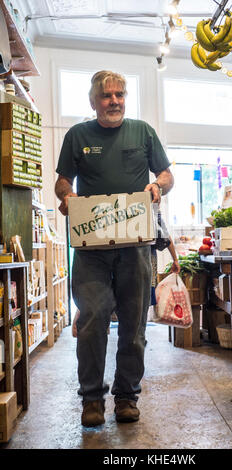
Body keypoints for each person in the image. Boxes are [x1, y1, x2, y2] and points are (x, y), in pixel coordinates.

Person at [55, 70, 174, 427]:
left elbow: (167, 175)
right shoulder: (77, 136)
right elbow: (63, 181)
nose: (115, 101)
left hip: (135, 247)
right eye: (107, 96)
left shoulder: (143, 132)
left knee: (134, 326)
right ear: (94, 102)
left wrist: (157, 187)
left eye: (120, 94)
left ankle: (126, 396)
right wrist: (67, 196)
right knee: (92, 319)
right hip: (92, 248)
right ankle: (92, 399)